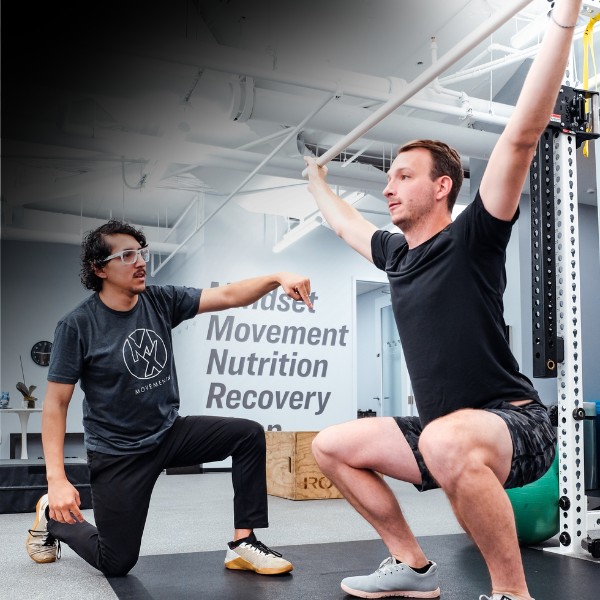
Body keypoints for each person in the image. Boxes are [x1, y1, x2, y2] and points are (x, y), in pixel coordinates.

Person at [304, 1, 581, 599]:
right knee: (331, 446)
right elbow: (344, 222)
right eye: (389, 177)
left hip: (517, 426)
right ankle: (410, 564)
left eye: (403, 175)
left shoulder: (473, 236)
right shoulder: (396, 256)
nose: (388, 186)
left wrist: (564, 17)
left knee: (443, 438)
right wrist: (316, 181)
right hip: (440, 429)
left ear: (441, 185)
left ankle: (512, 595)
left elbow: (522, 135)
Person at [26, 218, 313, 577]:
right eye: (127, 255)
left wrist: (276, 278)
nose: (141, 262)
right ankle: (54, 520)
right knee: (116, 562)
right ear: (99, 268)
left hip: (168, 433)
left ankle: (244, 544)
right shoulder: (78, 325)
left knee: (247, 434)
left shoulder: (159, 301)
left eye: (141, 253)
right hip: (118, 452)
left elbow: (226, 295)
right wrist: (57, 481)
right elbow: (55, 406)